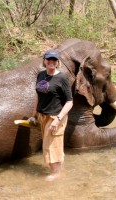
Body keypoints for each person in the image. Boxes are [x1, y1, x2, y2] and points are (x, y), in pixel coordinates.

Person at [29, 49, 73, 181]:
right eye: (49, 59)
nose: (51, 62)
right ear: (44, 61)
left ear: (58, 62)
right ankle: (60, 170)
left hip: (56, 117)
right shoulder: (41, 75)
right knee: (54, 145)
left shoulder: (62, 78)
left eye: (54, 60)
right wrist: (34, 114)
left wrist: (58, 119)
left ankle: (56, 174)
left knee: (51, 146)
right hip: (43, 116)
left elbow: (70, 102)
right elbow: (38, 95)